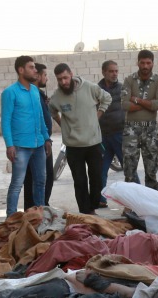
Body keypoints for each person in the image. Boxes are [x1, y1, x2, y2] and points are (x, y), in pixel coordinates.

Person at [48, 63, 112, 214]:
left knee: (96, 178)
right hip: (73, 146)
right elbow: (52, 110)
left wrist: (99, 114)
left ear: (71, 74)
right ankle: (85, 212)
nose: (63, 82)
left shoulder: (89, 87)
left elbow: (107, 98)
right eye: (59, 79)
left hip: (93, 143)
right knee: (80, 181)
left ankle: (94, 206)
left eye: (65, 77)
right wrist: (63, 124)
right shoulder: (57, 96)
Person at [1, 55, 51, 217]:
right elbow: (6, 121)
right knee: (17, 183)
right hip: (20, 146)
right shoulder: (10, 92)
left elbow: (41, 118)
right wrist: (9, 145)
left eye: (35, 67)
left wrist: (46, 139)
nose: (35, 70)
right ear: (21, 70)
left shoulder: (36, 91)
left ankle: (39, 216)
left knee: (41, 182)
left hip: (38, 145)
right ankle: (11, 218)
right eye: (31, 67)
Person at [121, 50, 158, 191]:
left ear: (152, 63)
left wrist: (137, 99)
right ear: (138, 63)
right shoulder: (129, 80)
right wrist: (148, 104)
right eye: (142, 63)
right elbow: (124, 104)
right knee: (129, 169)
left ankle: (152, 203)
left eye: (148, 63)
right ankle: (130, 204)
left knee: (151, 170)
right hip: (131, 129)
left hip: (151, 129)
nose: (145, 66)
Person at [22, 63, 55, 208]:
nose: (46, 79)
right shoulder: (32, 94)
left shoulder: (38, 94)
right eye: (45, 75)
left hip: (43, 141)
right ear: (37, 76)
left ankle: (40, 207)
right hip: (36, 144)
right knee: (36, 179)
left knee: (44, 179)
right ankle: (35, 210)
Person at [97, 60, 126, 207]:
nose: (114, 74)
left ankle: (135, 202)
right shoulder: (97, 90)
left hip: (119, 135)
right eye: (111, 71)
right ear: (104, 72)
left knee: (129, 169)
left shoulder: (122, 89)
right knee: (101, 170)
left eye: (116, 71)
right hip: (102, 137)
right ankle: (101, 200)